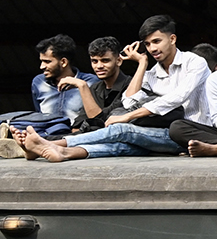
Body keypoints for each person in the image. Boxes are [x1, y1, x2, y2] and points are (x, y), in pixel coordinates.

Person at [13, 15, 200, 162]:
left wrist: (128, 116)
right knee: (120, 147)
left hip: (192, 134)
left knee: (121, 130)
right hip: (162, 135)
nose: (151, 48)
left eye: (156, 41)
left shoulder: (194, 62)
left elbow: (177, 97)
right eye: (148, 44)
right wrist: (142, 63)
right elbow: (129, 101)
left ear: (172, 39)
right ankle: (63, 152)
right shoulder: (150, 74)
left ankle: (51, 143)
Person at [0, 35, 95, 151]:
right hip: (46, 134)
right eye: (41, 61)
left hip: (76, 137)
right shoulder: (38, 82)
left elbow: (96, 117)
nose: (42, 66)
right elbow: (39, 115)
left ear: (63, 62)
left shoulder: (90, 82)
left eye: (47, 62)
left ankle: (25, 147)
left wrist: (81, 86)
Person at [76, 37, 129, 128]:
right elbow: (77, 124)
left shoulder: (131, 86)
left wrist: (82, 86)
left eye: (105, 60)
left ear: (119, 61)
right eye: (94, 61)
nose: (99, 66)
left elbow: (100, 121)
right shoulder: (94, 88)